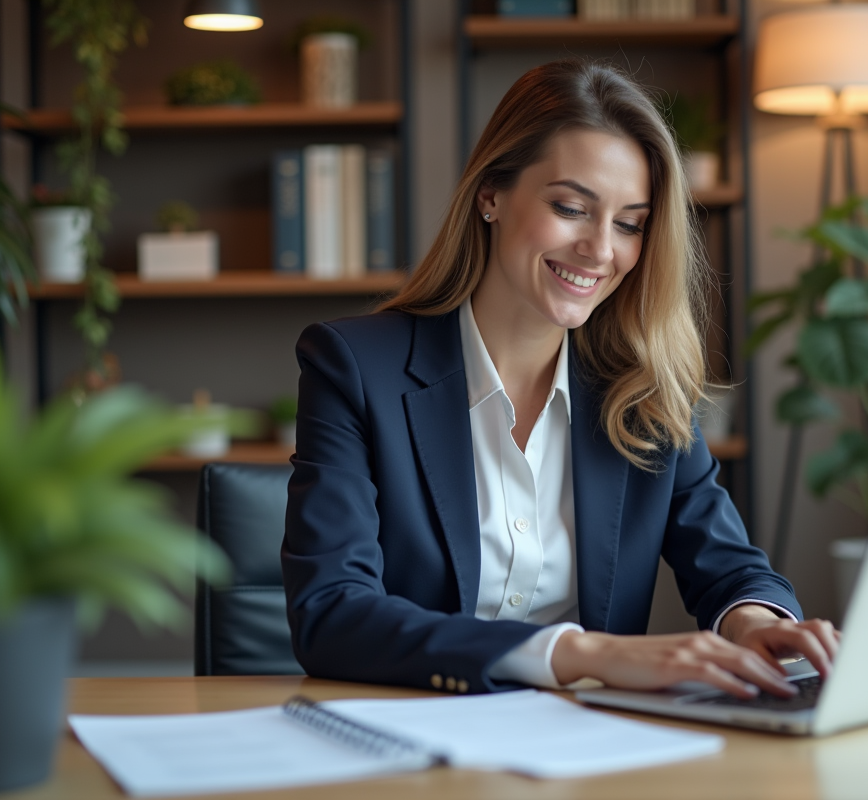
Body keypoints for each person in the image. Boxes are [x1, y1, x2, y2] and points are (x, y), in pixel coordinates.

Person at [282, 59, 838, 699]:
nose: (601, 250)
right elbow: (332, 614)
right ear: (491, 194)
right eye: (572, 207)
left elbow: (729, 566)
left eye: (630, 223)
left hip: (589, 755)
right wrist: (580, 654)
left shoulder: (642, 390)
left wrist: (751, 625)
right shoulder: (353, 366)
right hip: (416, 741)